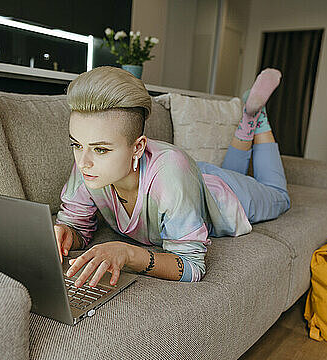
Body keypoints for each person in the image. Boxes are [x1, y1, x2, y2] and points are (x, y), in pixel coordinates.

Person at [54, 66, 290, 288]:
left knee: (279, 196)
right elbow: (78, 227)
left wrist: (127, 253)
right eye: (76, 144)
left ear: (138, 148)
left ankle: (257, 117)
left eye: (101, 149)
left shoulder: (169, 175)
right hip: (188, 180)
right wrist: (66, 234)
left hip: (225, 193)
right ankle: (248, 118)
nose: (83, 161)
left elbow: (193, 267)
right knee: (230, 172)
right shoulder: (88, 166)